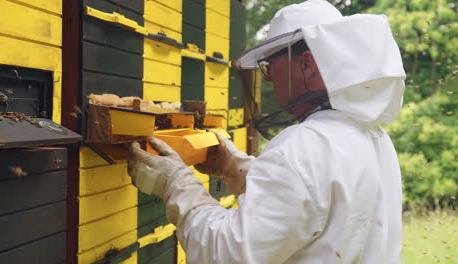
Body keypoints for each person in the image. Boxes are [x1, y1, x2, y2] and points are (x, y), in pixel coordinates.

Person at [127, 0, 406, 263]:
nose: (268, 76)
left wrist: (176, 184)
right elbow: (315, 204)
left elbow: (227, 252)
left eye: (269, 64)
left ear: (307, 63)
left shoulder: (302, 146)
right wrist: (237, 168)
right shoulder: (375, 138)